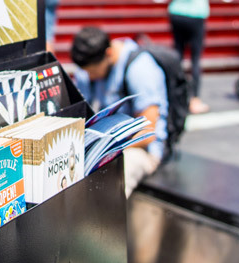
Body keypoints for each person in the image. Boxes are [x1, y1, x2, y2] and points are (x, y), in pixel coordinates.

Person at [70, 26, 169, 197]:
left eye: (93, 71)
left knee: (115, 181)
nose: (90, 77)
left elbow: (148, 131)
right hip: (102, 145)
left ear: (108, 54)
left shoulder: (140, 68)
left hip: (139, 148)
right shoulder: (87, 68)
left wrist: (104, 150)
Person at [162, 0, 223, 115]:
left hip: (177, 13)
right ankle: (194, 99)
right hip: (196, 15)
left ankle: (175, 96)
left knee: (178, 56)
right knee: (195, 59)